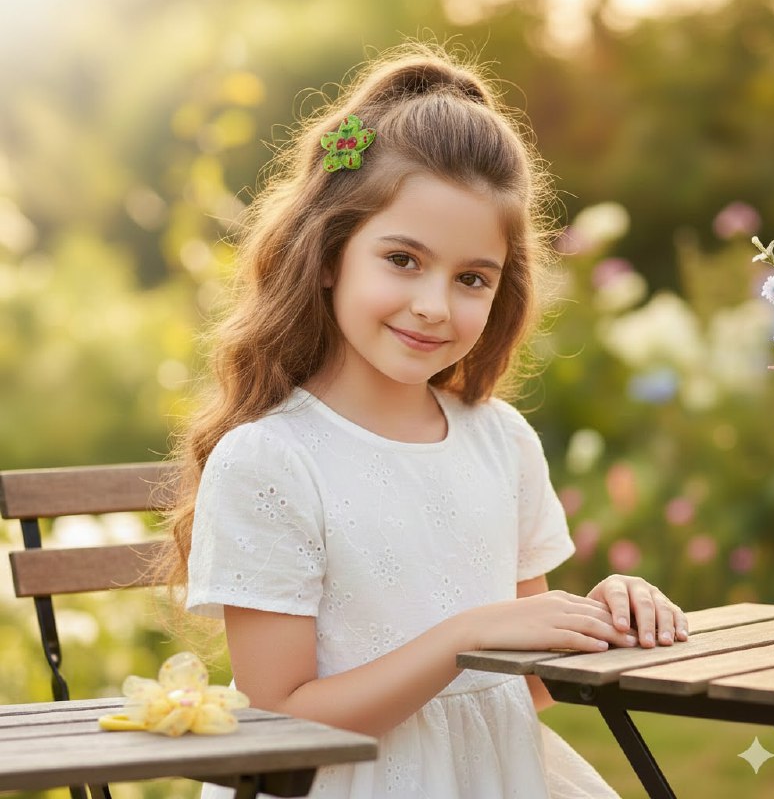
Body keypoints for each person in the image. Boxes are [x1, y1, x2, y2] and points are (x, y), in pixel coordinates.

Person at [163, 42, 689, 799]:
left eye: (471, 277)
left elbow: (527, 686)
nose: (434, 306)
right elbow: (280, 720)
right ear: (329, 255)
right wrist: (464, 637)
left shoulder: (501, 442)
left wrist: (603, 617)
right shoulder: (271, 461)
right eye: (403, 260)